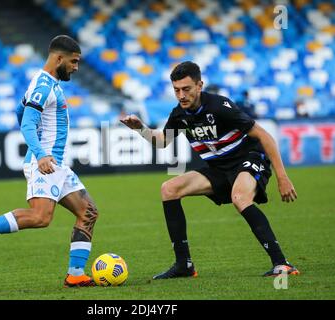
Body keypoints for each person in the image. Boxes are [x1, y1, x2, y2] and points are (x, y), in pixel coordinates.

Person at [120, 61, 299, 279]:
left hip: (249, 159)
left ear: (199, 85)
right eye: (176, 90)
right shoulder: (179, 115)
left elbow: (264, 136)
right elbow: (161, 142)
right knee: (169, 188)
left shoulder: (219, 106)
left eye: (186, 89)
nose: (181, 95)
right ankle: (183, 265)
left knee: (240, 197)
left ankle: (282, 263)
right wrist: (141, 128)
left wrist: (283, 177)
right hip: (219, 168)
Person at [0, 35, 98, 287]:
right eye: (73, 61)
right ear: (59, 58)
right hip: (44, 163)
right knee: (40, 218)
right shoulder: (44, 85)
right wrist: (40, 153)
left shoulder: (47, 83)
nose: (76, 67)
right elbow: (26, 122)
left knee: (88, 212)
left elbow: (19, 110)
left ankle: (76, 274)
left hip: (57, 164)